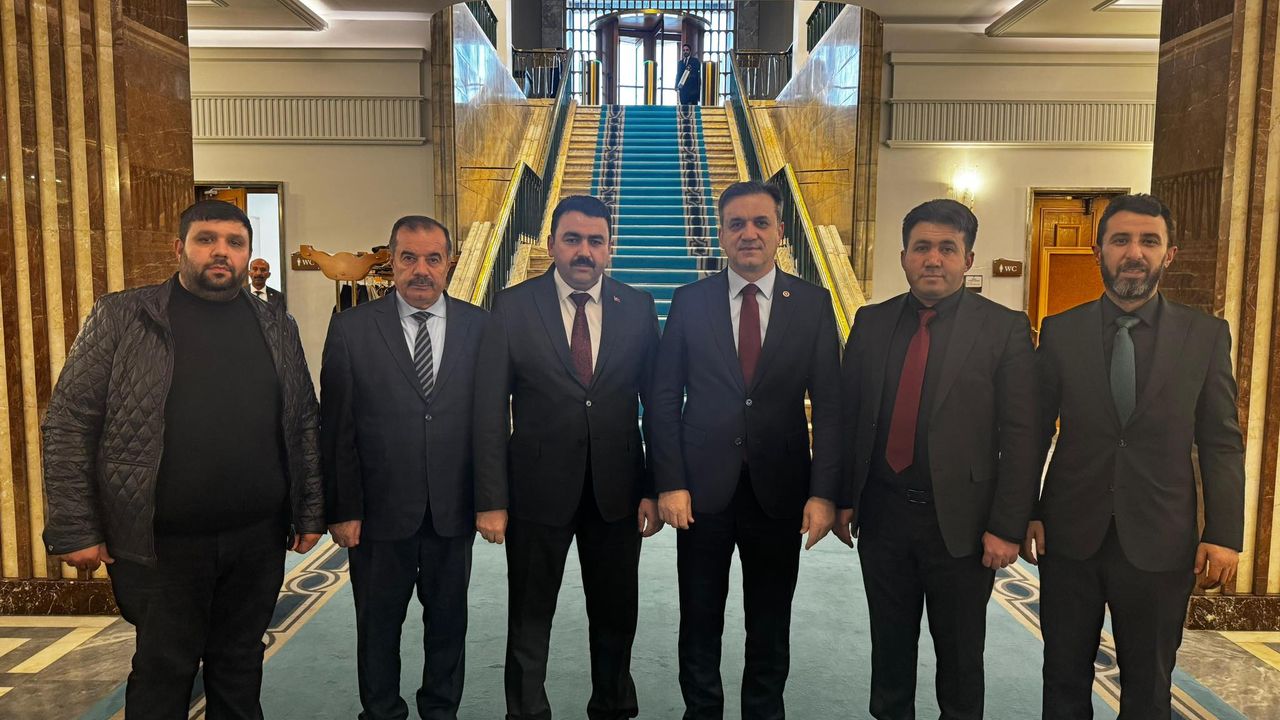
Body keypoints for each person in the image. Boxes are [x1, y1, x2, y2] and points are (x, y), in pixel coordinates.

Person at [41, 199, 324, 718]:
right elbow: (69, 421)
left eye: (235, 243)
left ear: (248, 255)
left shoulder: (276, 324)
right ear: (179, 248)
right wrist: (75, 526)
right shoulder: (124, 316)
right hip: (161, 543)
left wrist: (309, 511)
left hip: (256, 538)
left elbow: (303, 419)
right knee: (164, 670)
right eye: (206, 239)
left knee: (240, 663)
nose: (221, 252)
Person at [1024, 193, 1245, 719]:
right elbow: (1032, 430)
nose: (1134, 253)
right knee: (1063, 677)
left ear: (1169, 254)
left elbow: (1220, 440)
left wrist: (1224, 532)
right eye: (1120, 240)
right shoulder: (1060, 331)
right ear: (1098, 251)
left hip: (1162, 539)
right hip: (1069, 535)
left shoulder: (1204, 336)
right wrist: (1025, 510)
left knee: (1149, 686)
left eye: (1149, 241)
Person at [836, 199, 1039, 719]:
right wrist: (842, 498)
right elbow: (849, 417)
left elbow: (1022, 436)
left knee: (962, 659)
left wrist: (1007, 526)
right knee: (889, 654)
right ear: (903, 256)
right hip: (883, 518)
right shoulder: (871, 322)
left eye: (947, 249)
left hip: (963, 527)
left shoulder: (1004, 328)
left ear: (967, 259)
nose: (933, 259)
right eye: (921, 247)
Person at [648, 180, 841, 720]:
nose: (749, 233)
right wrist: (670, 482)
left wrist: (824, 493)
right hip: (701, 494)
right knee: (699, 619)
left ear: (781, 232)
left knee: (770, 622)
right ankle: (701, 711)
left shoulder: (813, 304)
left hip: (779, 492)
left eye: (761, 222)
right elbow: (664, 397)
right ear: (721, 233)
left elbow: (831, 407)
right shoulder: (690, 301)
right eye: (736, 224)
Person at [473, 194, 662, 720]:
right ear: (552, 243)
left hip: (617, 493)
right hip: (535, 493)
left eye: (596, 241)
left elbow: (658, 405)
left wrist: (654, 486)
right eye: (573, 239)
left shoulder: (638, 307)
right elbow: (490, 411)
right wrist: (491, 498)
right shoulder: (512, 306)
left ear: (610, 248)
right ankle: (526, 711)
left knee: (616, 617)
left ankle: (613, 707)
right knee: (529, 618)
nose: (584, 251)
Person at [321, 215, 487, 720]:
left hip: (451, 512)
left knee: (449, 627)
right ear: (390, 262)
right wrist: (342, 509)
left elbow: (488, 424)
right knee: (377, 628)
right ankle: (381, 711)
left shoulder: (480, 326)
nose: (421, 270)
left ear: (449, 264)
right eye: (409, 258)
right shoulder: (351, 329)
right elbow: (337, 429)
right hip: (377, 516)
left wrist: (491, 501)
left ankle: (441, 710)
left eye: (433, 259)